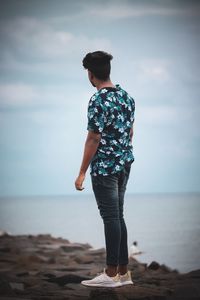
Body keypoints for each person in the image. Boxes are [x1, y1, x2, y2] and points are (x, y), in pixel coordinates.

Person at [75, 51, 135, 288]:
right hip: (124, 164)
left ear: (90, 74)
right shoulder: (127, 97)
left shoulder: (98, 99)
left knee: (111, 218)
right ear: (107, 71)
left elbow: (93, 138)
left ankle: (110, 275)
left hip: (105, 169)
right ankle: (123, 273)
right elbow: (130, 132)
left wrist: (81, 172)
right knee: (118, 216)